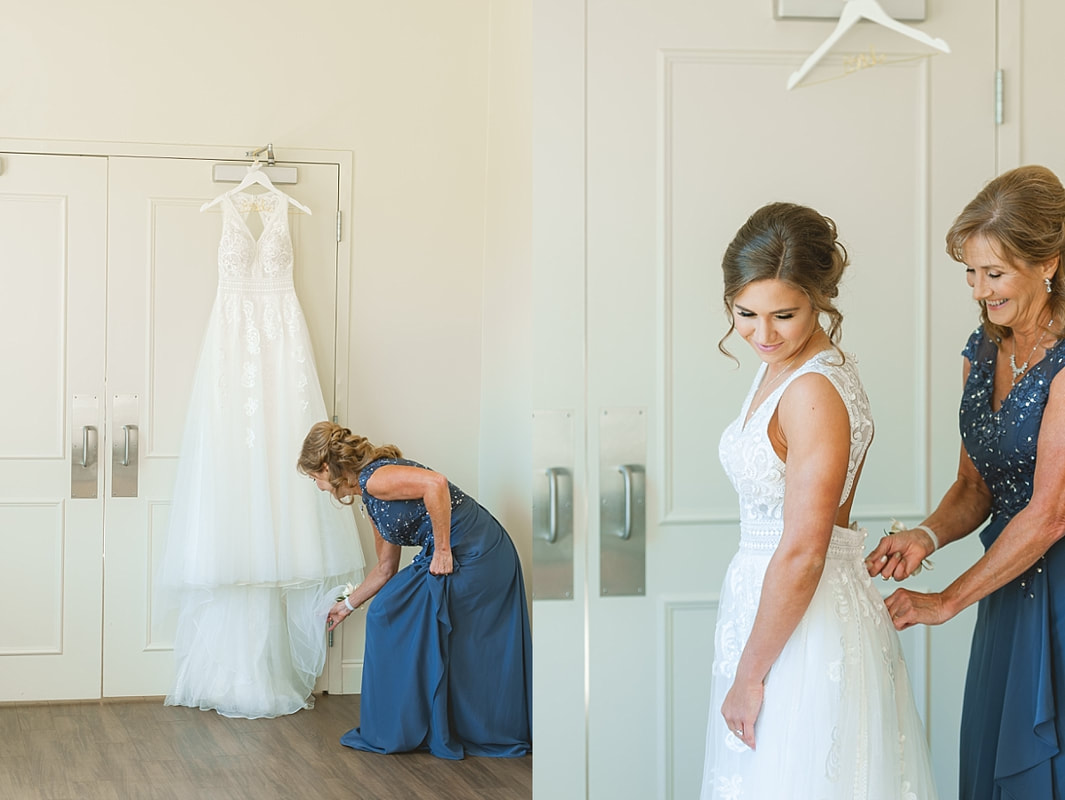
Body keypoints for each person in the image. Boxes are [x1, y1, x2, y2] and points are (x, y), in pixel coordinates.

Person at [700, 203, 937, 799]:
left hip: (804, 624)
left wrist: (750, 677)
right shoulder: (785, 364)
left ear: (819, 297)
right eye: (745, 313)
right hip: (773, 609)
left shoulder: (812, 390)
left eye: (784, 314)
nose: (762, 333)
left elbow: (804, 549)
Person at [866, 164, 1065, 799]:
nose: (980, 290)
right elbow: (974, 486)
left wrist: (945, 600)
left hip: (1057, 591)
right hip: (1008, 591)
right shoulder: (983, 350)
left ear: (1049, 263)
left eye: (995, 273)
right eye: (971, 273)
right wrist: (925, 536)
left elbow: (1049, 514)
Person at [297, 421, 532, 760]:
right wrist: (346, 605)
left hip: (476, 550)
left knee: (428, 628)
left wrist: (441, 550)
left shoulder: (374, 478)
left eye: (314, 478)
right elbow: (385, 568)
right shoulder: (369, 499)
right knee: (383, 611)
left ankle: (425, 724)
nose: (318, 487)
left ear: (326, 468)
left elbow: (435, 484)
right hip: (454, 551)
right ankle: (414, 722)